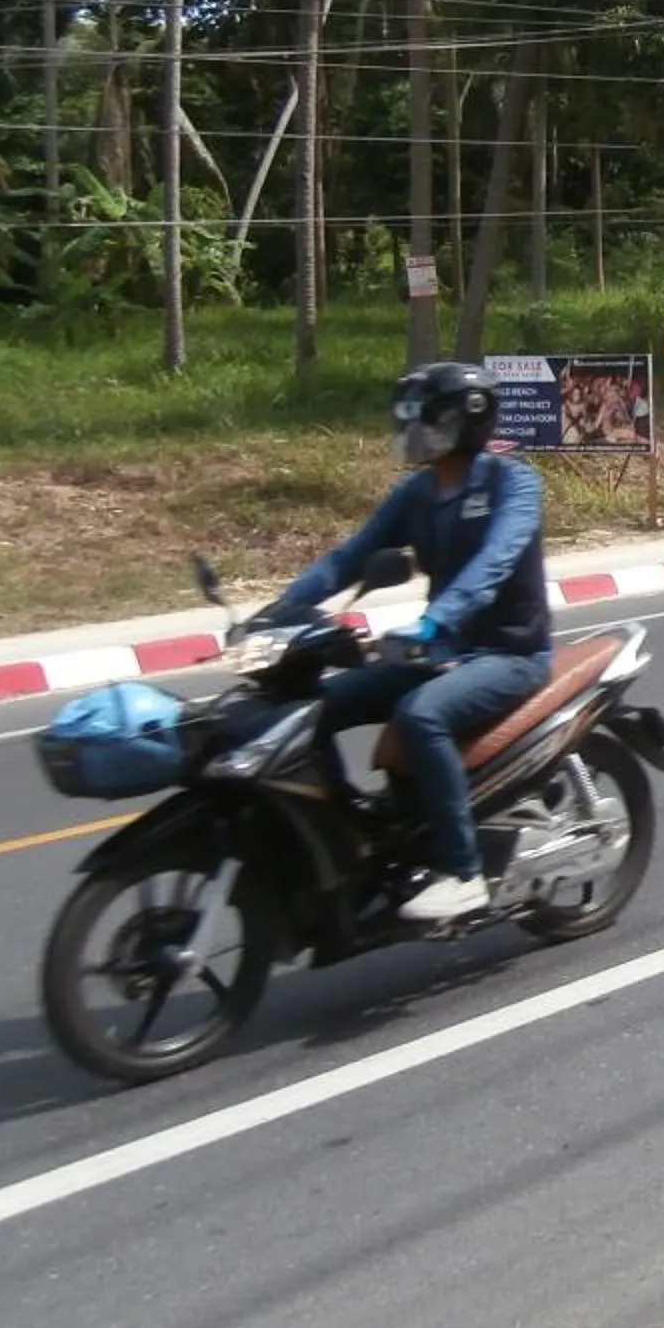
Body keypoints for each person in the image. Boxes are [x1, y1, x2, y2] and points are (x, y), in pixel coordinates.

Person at [268, 361, 552, 924]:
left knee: (420, 716)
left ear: (465, 421)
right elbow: (349, 558)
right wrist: (280, 610)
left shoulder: (512, 484)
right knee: (310, 707)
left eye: (429, 418)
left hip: (508, 654)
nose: (416, 430)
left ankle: (464, 873)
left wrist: (437, 619)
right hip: (440, 652)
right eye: (412, 418)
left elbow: (493, 565)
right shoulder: (417, 494)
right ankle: (349, 846)